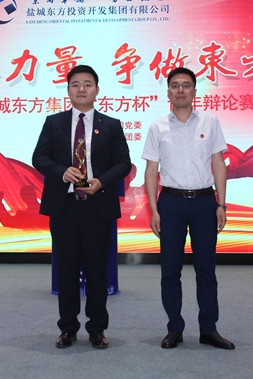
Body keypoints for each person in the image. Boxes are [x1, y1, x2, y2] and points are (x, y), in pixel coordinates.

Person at [32, 65, 131, 349]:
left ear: (97, 90)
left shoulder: (111, 125)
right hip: (64, 207)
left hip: (97, 207)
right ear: (68, 90)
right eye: (75, 84)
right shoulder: (54, 122)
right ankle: (68, 328)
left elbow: (123, 163)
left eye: (88, 84)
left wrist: (102, 181)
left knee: (97, 272)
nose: (82, 89)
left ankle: (97, 328)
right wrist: (62, 172)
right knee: (67, 270)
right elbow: (39, 158)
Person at [142, 67, 235, 350]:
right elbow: (151, 171)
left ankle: (209, 329)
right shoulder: (157, 127)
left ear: (194, 91)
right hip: (170, 203)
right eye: (175, 85)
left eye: (185, 85)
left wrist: (221, 203)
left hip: (205, 202)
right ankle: (175, 328)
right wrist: (154, 209)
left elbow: (218, 163)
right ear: (168, 92)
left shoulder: (210, 121)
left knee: (206, 269)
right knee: (170, 270)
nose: (180, 90)